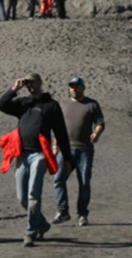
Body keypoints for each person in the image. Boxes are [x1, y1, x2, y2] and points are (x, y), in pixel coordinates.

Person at [0, 73, 73, 246]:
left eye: (33, 83)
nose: (30, 86)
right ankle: (42, 224)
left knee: (33, 194)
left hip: (40, 155)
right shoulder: (23, 104)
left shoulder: (51, 105)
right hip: (22, 154)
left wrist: (67, 158)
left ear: (40, 82)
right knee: (21, 196)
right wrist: (15, 89)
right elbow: (1, 104)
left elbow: (60, 132)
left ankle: (30, 232)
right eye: (28, 83)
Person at [52, 77, 105, 226]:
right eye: (71, 87)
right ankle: (62, 211)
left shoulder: (91, 104)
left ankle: (82, 214)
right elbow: (58, 128)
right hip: (65, 150)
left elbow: (100, 123)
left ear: (83, 87)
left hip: (84, 151)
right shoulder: (63, 105)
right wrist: (55, 146)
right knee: (58, 179)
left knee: (84, 182)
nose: (73, 89)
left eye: (76, 86)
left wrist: (96, 133)